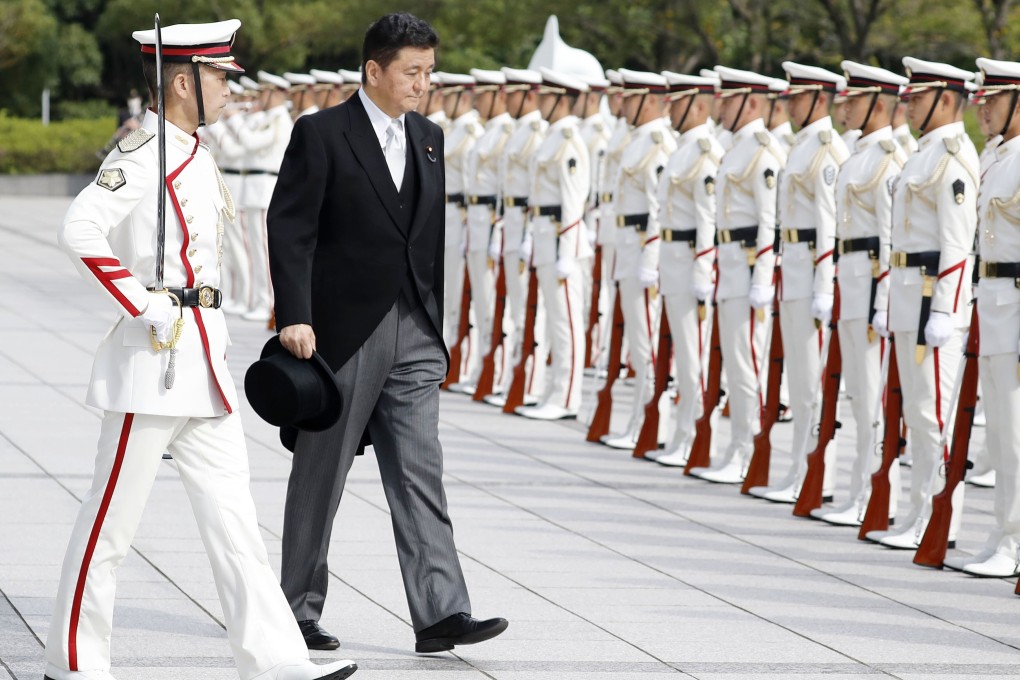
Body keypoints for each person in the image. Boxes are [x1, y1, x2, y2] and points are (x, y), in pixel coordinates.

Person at [45, 18, 357, 680]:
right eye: (219, 77)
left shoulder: (191, 151)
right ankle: (73, 662)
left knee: (235, 522)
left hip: (203, 366)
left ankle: (275, 659)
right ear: (183, 81)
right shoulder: (141, 155)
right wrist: (144, 301)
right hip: (152, 365)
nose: (229, 88)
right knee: (110, 527)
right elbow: (81, 230)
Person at [266, 12, 508, 653]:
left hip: (415, 331)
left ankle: (441, 613)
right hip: (341, 333)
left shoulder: (429, 137)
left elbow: (427, 242)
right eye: (412, 71)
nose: (423, 84)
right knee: (322, 474)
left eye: (429, 72)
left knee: (420, 472)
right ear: (373, 70)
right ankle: (293, 609)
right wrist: (295, 314)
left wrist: (435, 320)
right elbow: (291, 229)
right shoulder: (321, 134)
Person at [865, 58, 978, 550]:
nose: (907, 105)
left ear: (946, 100)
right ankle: (916, 512)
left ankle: (939, 517)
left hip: (934, 298)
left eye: (918, 97)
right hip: (911, 291)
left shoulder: (952, 155)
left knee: (933, 413)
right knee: (915, 409)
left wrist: (946, 313)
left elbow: (957, 244)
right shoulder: (923, 153)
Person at [812, 61, 908, 527]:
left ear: (877, 104)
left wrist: (884, 301)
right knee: (856, 396)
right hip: (851, 283)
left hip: (871, 288)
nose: (843, 106)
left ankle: (877, 496)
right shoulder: (857, 155)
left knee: (872, 398)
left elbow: (891, 239)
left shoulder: (888, 157)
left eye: (853, 99)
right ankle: (857, 493)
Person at [748, 63, 849, 504]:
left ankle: (817, 474)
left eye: (797, 96)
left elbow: (829, 226)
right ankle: (798, 470)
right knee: (797, 377)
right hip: (793, 269)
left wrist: (825, 285)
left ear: (819, 100)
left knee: (811, 381)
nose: (787, 103)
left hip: (810, 273)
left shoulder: (826, 150)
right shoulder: (803, 146)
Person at [688, 67, 786, 484]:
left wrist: (763, 277)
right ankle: (737, 447)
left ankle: (749, 451)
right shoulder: (736, 147)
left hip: (748, 269)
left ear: (751, 102)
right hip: (730, 264)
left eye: (728, 100)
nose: (720, 107)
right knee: (733, 360)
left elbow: (769, 222)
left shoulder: (763, 151)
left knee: (747, 363)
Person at [943, 57, 1020, 577]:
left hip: (1014, 305)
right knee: (998, 433)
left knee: (1014, 431)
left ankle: (1013, 543)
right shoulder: (997, 156)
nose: (983, 109)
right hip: (992, 302)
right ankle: (1001, 535)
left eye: (993, 100)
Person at [599, 69, 675, 449]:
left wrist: (650, 259)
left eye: (630, 98)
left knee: (645, 344)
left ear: (648, 100)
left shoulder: (657, 143)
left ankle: (651, 423)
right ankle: (638, 421)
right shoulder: (638, 139)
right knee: (635, 339)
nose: (622, 104)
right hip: (627, 246)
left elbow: (660, 209)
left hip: (643, 249)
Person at [653, 72, 724, 467]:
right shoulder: (684, 149)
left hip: (689, 261)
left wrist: (702, 272)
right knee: (682, 352)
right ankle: (682, 434)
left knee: (693, 355)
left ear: (697, 106)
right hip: (673, 259)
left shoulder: (702, 152)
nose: (670, 109)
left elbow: (707, 218)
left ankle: (694, 434)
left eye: (677, 103)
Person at [515, 68, 592, 420]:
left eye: (547, 96)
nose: (540, 102)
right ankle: (553, 390)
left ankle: (567, 397)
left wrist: (565, 253)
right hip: (546, 237)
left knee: (566, 323)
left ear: (562, 100)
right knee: (553, 320)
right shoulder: (552, 138)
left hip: (563, 244)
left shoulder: (569, 142)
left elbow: (574, 203)